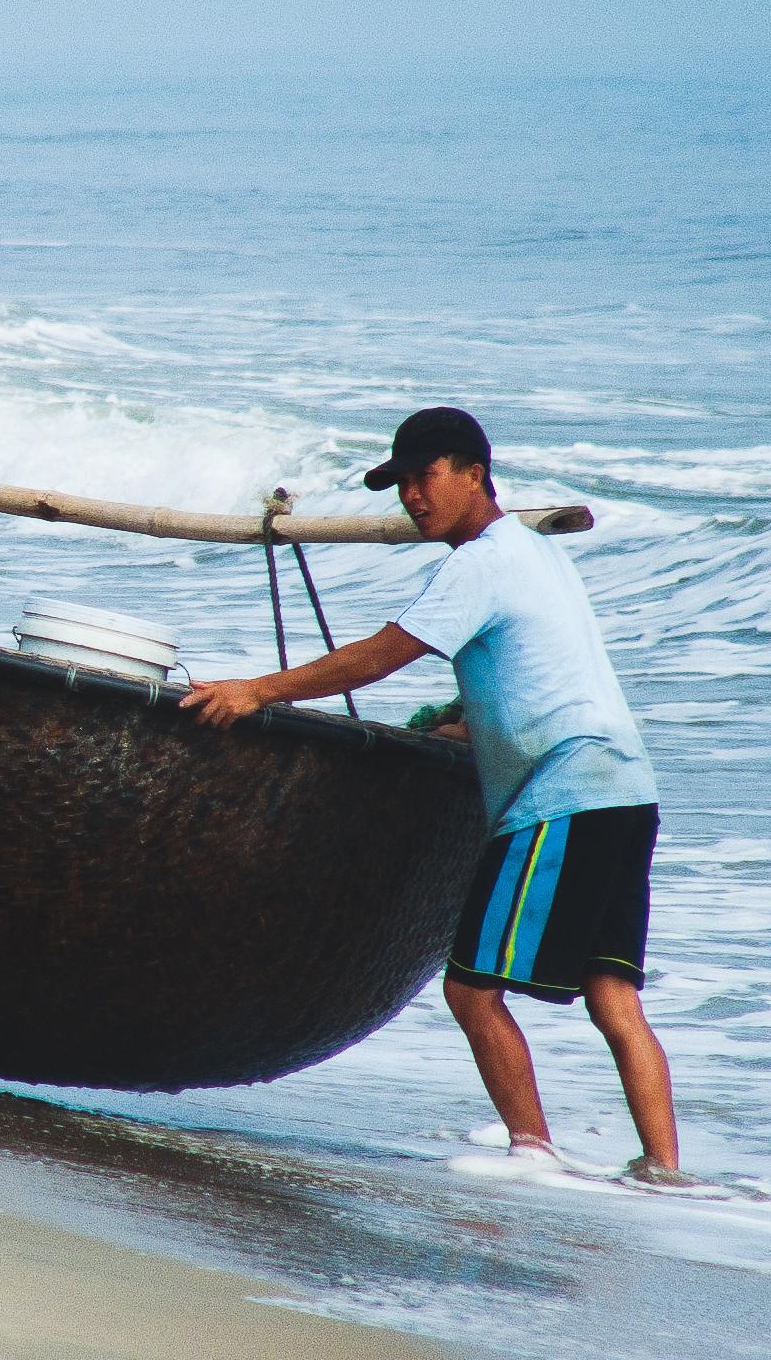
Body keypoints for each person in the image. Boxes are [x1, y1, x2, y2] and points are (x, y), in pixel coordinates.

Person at [182, 407, 684, 1181]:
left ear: (475, 474)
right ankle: (665, 1172)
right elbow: (532, 668)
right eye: (402, 484)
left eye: (426, 477)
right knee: (612, 997)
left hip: (564, 789)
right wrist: (464, 722)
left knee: (471, 990)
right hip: (625, 785)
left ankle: (532, 1153)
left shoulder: (480, 561)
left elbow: (381, 656)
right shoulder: (535, 552)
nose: (413, 497)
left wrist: (258, 693)